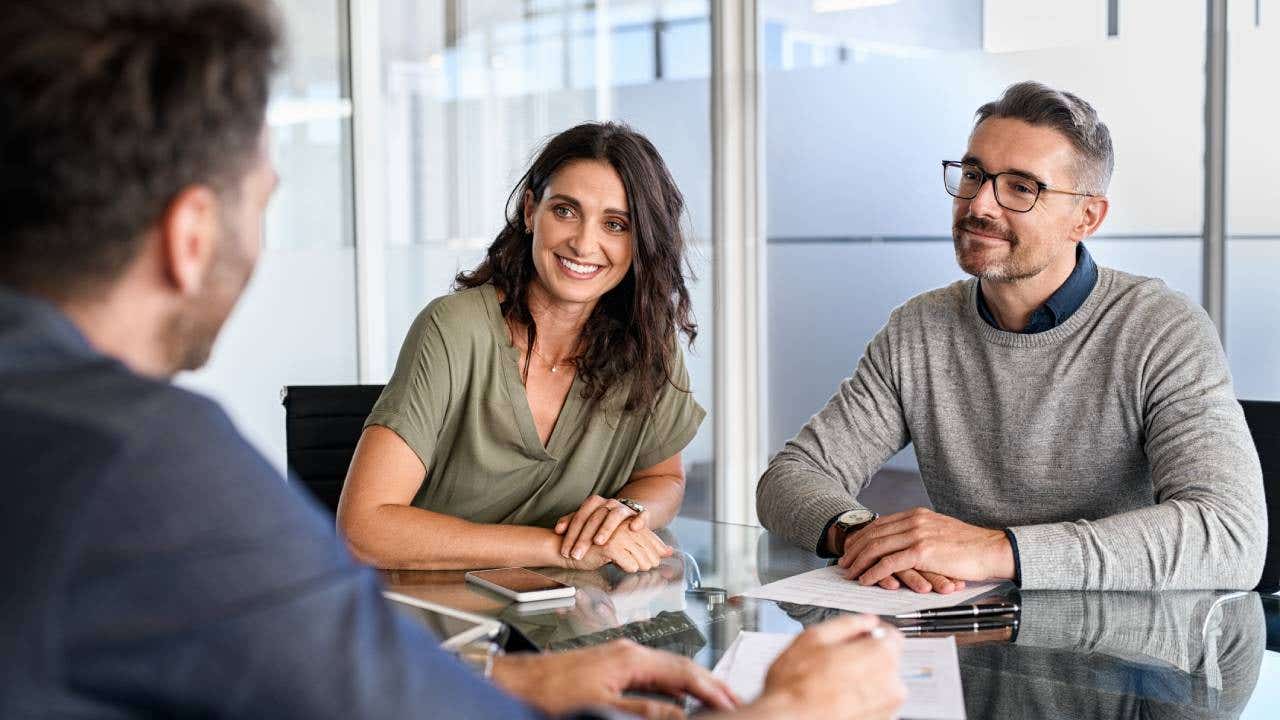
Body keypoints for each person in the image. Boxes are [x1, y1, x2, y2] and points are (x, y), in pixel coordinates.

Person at [0, 2, 908, 718]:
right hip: (438, 631)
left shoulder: (61, 430)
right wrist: (785, 711)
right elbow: (360, 612)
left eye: (617, 224)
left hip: (520, 646)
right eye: (266, 197)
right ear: (191, 234)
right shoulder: (150, 469)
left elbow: (333, 695)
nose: (585, 240)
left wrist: (532, 676)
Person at [756, 81, 1266, 593]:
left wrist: (996, 549)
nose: (980, 205)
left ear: (1086, 217)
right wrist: (863, 535)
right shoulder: (918, 329)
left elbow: (1228, 535)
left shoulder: (1160, 329)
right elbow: (790, 477)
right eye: (974, 175)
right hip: (964, 636)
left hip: (1127, 652)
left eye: (1021, 187)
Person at [338, 122, 705, 574]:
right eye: (566, 211)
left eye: (615, 224)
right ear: (531, 211)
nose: (584, 243)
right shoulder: (454, 328)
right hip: (431, 618)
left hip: (568, 622)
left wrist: (627, 513)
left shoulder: (649, 342)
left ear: (640, 240)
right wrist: (559, 550)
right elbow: (364, 529)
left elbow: (662, 477)